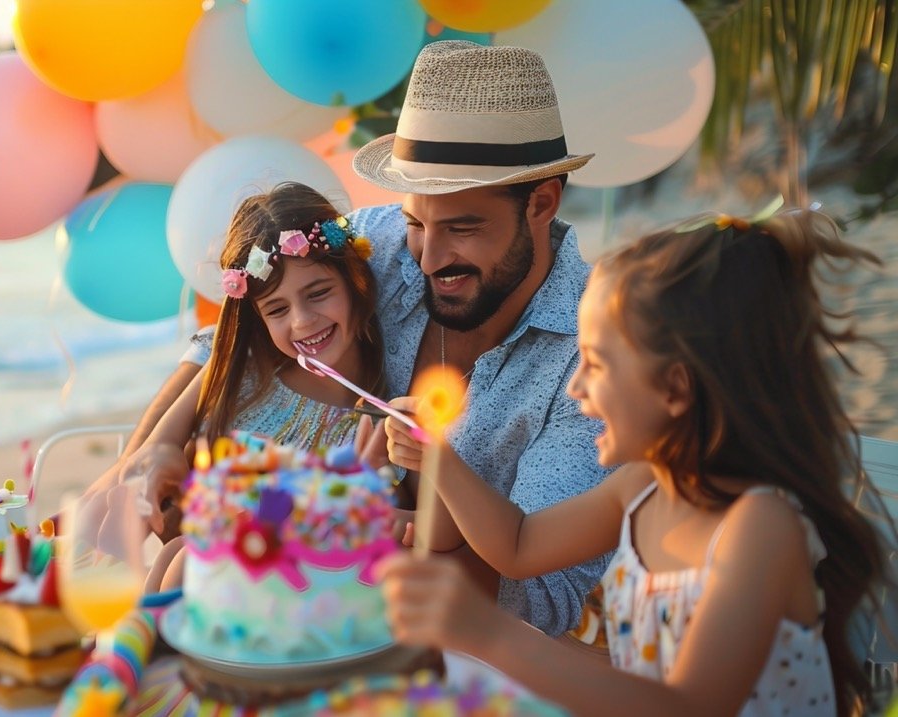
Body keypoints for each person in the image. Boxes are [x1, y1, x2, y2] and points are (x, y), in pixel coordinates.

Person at [110, 41, 615, 635]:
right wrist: (155, 445)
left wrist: (342, 543)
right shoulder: (384, 243)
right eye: (417, 222)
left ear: (542, 202)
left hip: (461, 648)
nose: (428, 258)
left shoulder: (595, 355)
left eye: (462, 228)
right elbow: (237, 319)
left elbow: (542, 596)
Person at [379, 208, 890, 716]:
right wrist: (439, 457)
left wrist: (489, 632)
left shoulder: (760, 527)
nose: (575, 388)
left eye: (595, 365)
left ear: (674, 388)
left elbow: (690, 707)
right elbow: (517, 546)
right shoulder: (643, 486)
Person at [133, 181, 384, 590]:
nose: (303, 321)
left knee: (179, 561)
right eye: (277, 309)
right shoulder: (244, 369)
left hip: (304, 597)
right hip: (211, 578)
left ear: (355, 279)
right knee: (172, 557)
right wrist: (162, 460)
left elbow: (395, 523)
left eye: (318, 293)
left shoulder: (375, 416)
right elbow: (156, 448)